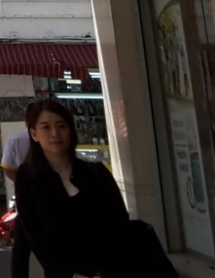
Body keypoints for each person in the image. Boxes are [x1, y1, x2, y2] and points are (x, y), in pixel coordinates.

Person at [16, 99, 176, 278]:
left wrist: (104, 269)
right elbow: (34, 236)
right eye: (45, 127)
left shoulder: (96, 173)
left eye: (61, 126)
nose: (55, 133)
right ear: (34, 134)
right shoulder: (27, 178)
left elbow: (118, 225)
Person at [1, 124, 33, 278]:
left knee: (20, 252)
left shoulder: (15, 139)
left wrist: (20, 181)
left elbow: (7, 168)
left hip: (26, 205)